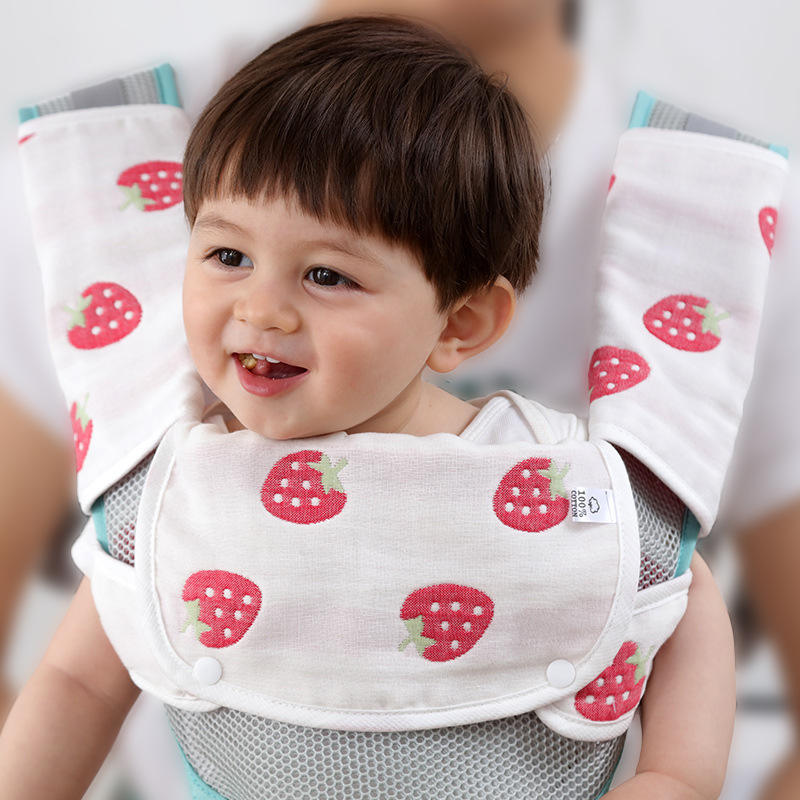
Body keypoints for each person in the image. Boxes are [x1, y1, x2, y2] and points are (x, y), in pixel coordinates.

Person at [0, 9, 786, 800]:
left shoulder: (561, 485)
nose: (261, 309)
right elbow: (76, 684)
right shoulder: (172, 498)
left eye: (327, 276)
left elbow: (663, 574)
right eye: (228, 254)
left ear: (461, 322)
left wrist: (675, 774)